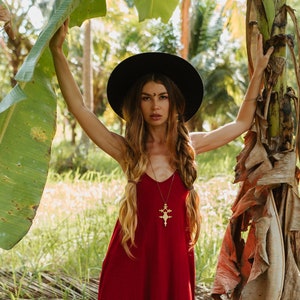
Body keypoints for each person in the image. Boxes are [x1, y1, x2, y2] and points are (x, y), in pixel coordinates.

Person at [49, 18, 273, 300]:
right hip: (132, 257)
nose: (155, 106)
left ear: (174, 102)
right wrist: (57, 52)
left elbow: (241, 124)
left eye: (162, 97)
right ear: (137, 104)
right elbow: (79, 108)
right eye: (146, 98)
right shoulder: (127, 152)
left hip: (173, 259)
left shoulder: (189, 147)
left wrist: (259, 72)